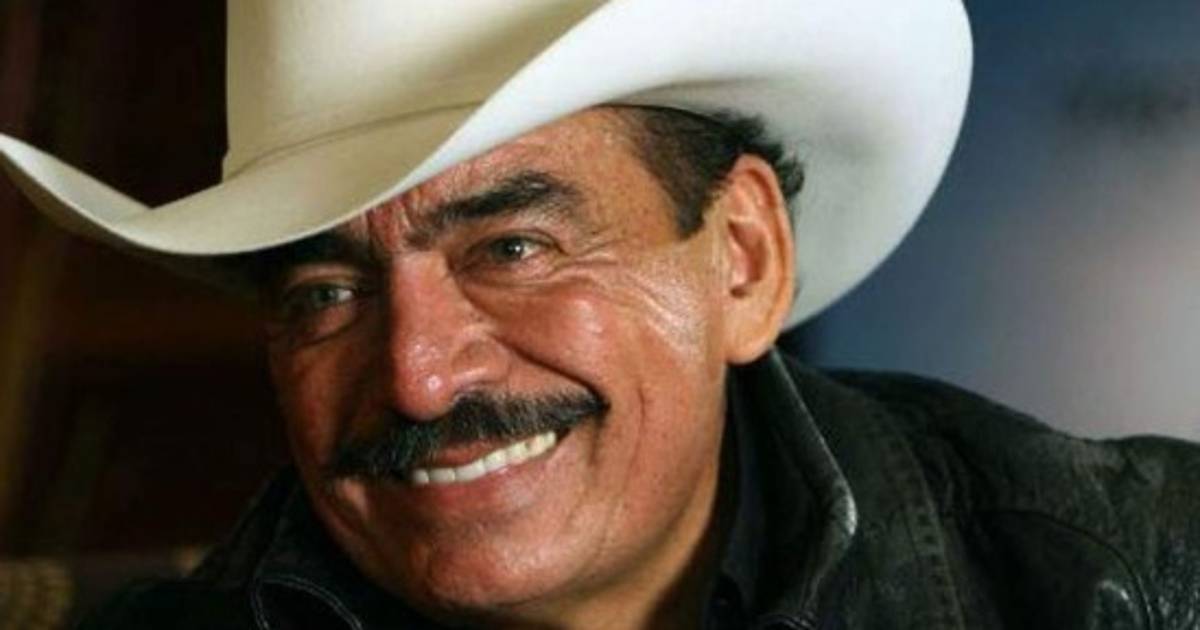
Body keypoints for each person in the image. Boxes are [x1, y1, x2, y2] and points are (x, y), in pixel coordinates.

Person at [2, 1, 1198, 628]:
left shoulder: (1139, 580)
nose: (417, 375)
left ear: (741, 262)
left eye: (512, 249)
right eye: (327, 293)